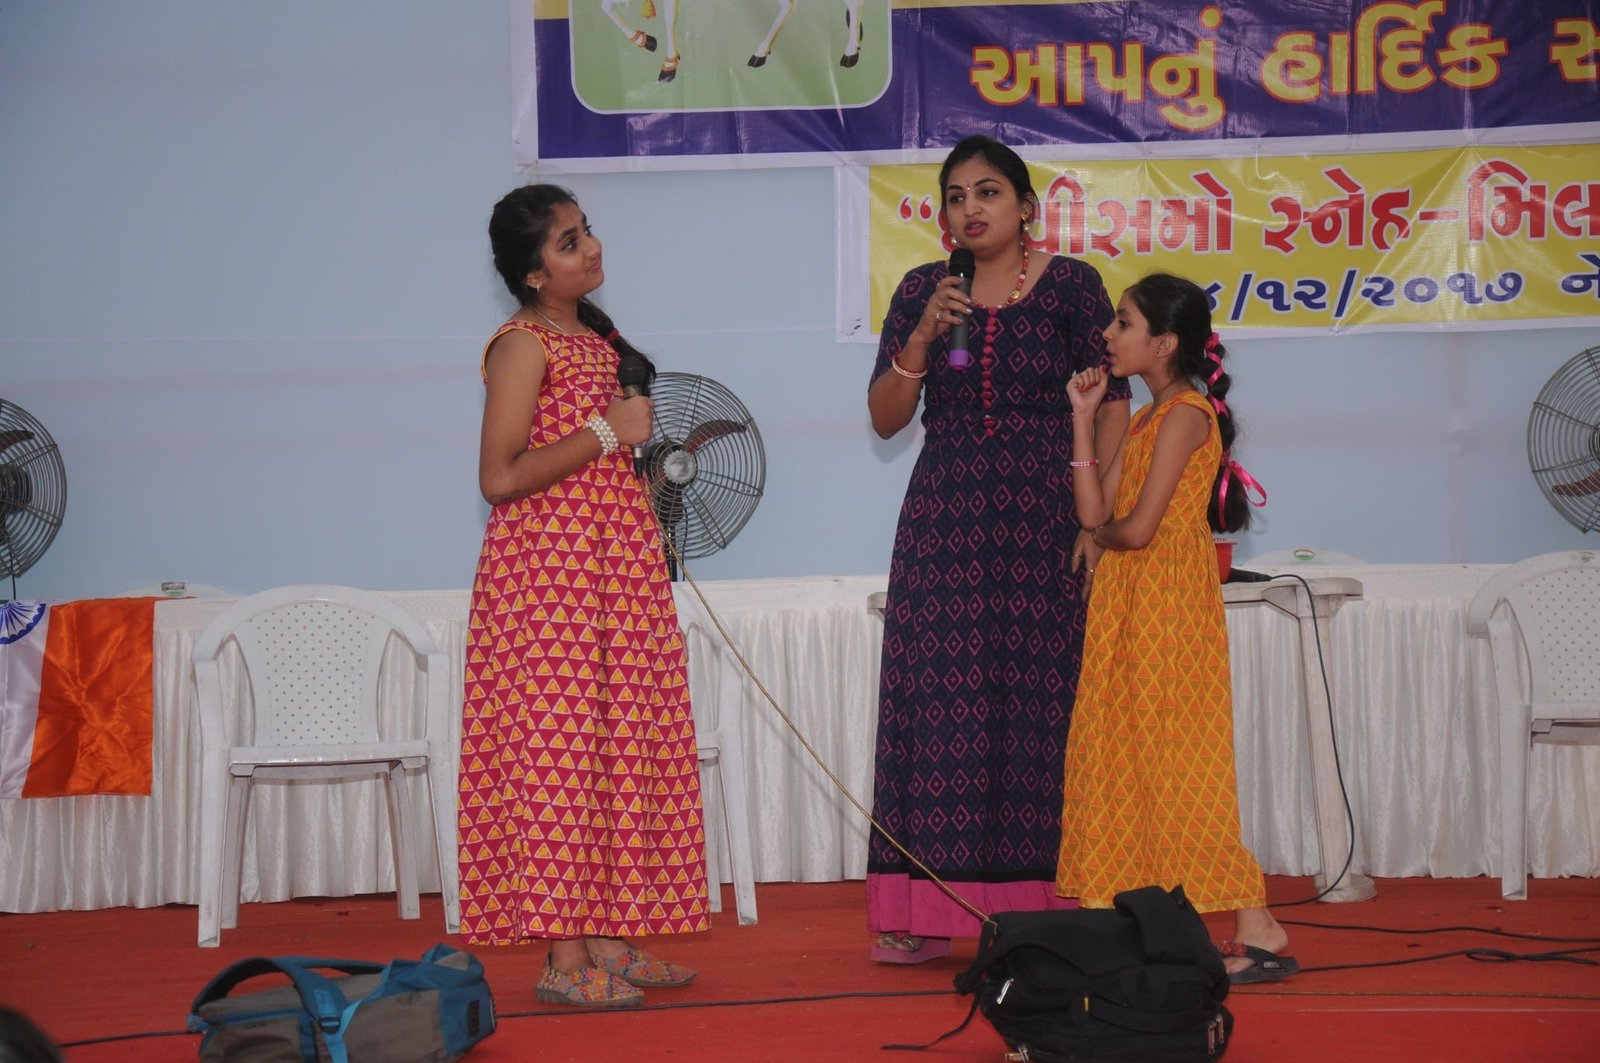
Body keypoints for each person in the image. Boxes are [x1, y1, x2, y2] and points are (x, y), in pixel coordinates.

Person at [865, 135, 1132, 963]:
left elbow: (1113, 403)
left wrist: (1096, 521)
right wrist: (919, 340)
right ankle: (922, 906)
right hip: (945, 521)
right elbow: (885, 418)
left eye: (987, 191)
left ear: (1026, 206)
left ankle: (1049, 902)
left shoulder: (1073, 285)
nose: (969, 208)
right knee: (938, 704)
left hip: (1047, 520)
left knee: (1043, 707)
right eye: (955, 196)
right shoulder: (924, 290)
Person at [458, 183, 709, 1008]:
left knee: (612, 747)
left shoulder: (597, 339)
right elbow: (499, 477)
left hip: (612, 572)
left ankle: (606, 936)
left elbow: (601, 456)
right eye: (568, 241)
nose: (590, 247)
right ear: (533, 273)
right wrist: (607, 431)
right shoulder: (521, 344)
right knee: (557, 756)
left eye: (586, 230)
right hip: (550, 580)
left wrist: (628, 454)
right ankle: (563, 959)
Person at [1055, 272, 1296, 985]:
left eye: (1124, 323)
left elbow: (1135, 528)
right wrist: (1082, 418)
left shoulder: (1188, 414)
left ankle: (1257, 921)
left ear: (1163, 343)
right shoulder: (1145, 418)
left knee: (1180, 769)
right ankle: (1154, 920)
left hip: (1167, 609)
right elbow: (1094, 511)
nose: (1108, 334)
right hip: (1128, 607)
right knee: (1128, 761)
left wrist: (1103, 537)